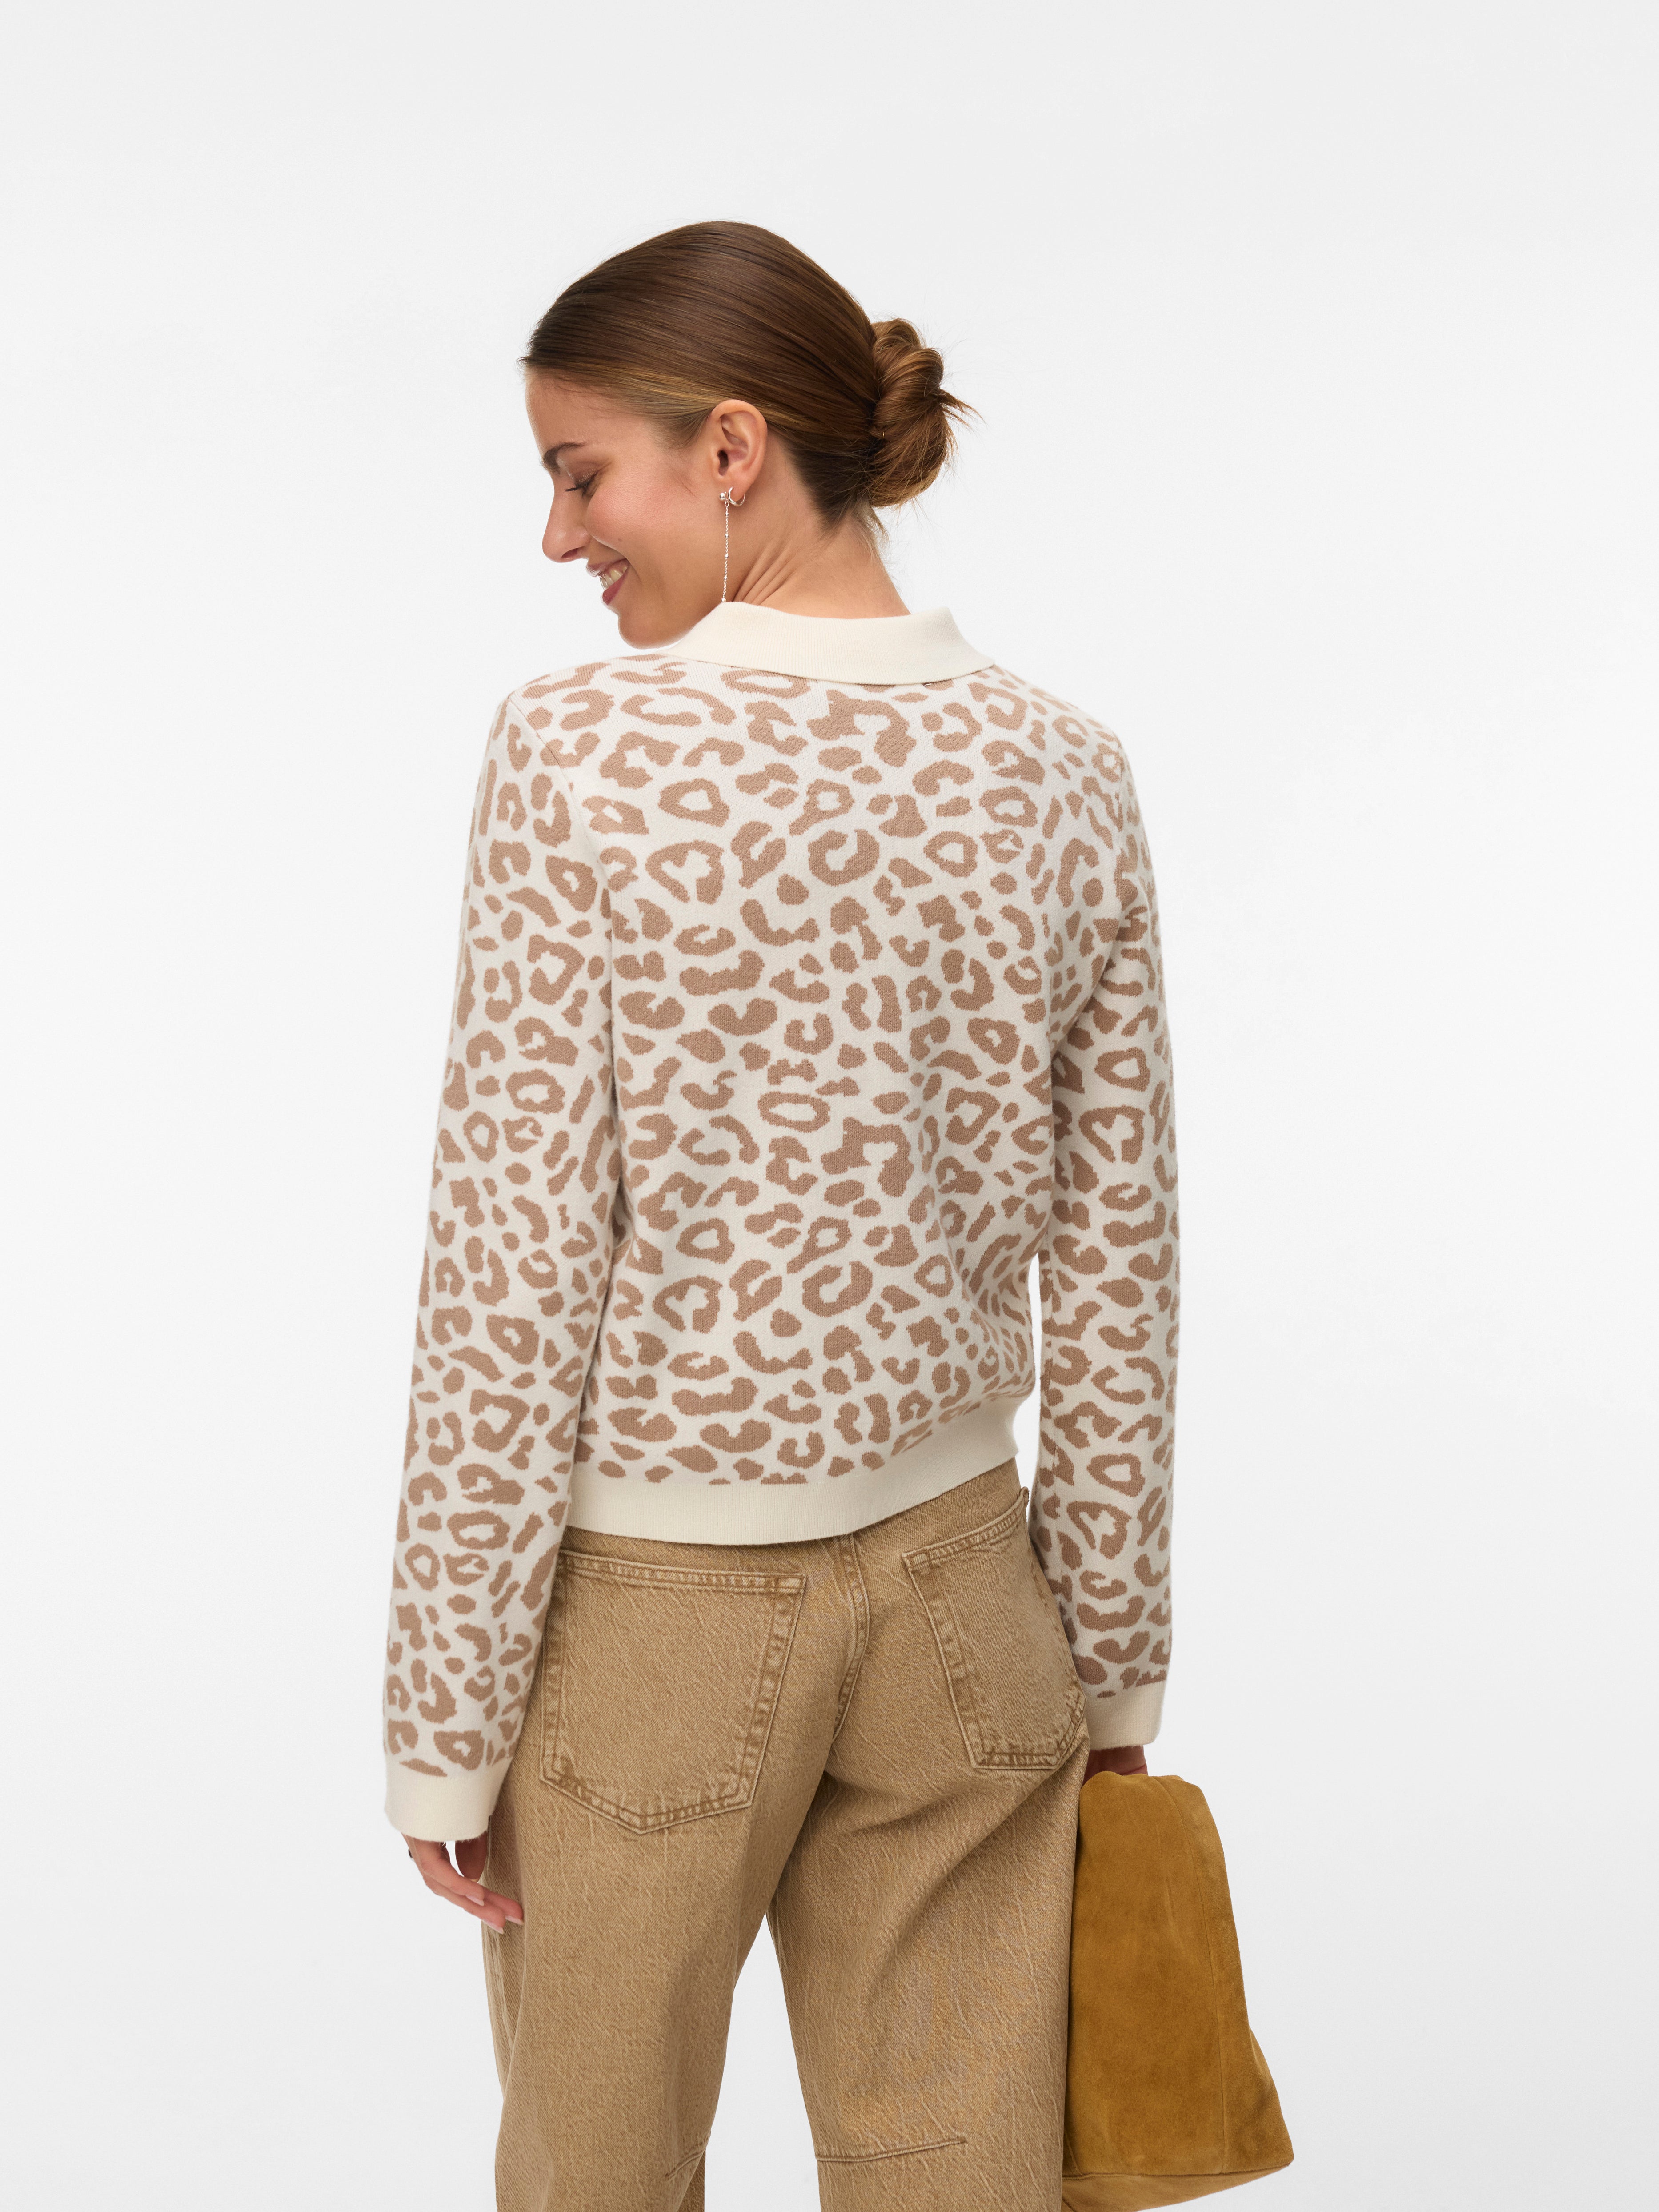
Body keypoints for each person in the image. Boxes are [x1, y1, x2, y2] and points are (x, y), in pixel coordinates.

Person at [381, 220, 1177, 2212]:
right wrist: (1112, 1667)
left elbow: (511, 1263)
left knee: (599, 2174)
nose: (558, 536)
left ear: (732, 449)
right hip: (971, 1604)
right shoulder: (1066, 770)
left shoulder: (585, 749)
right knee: (962, 2180)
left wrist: (444, 1714)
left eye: (583, 474)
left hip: (656, 1617)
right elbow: (1122, 1266)